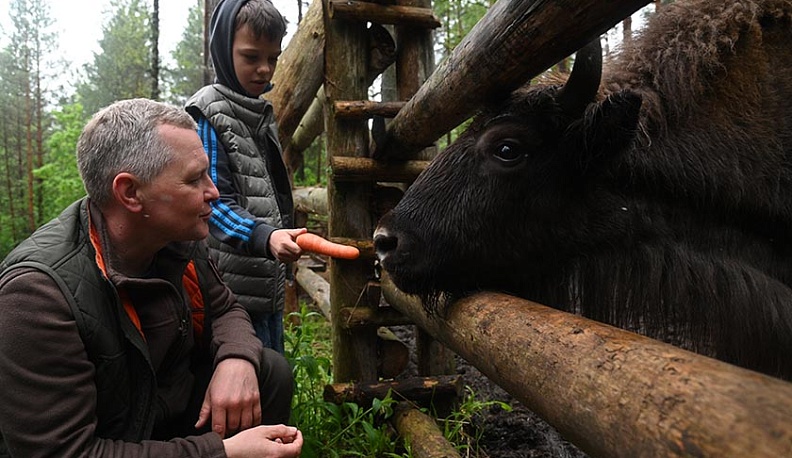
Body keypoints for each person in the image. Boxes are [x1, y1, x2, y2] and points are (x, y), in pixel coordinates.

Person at [0, 98, 303, 458]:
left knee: (268, 371)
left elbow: (224, 308)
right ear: (130, 193)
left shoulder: (178, 240)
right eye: (194, 179)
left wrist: (236, 358)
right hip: (104, 440)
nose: (214, 192)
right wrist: (221, 452)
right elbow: (64, 452)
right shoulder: (36, 296)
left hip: (158, 417)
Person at [186, 0, 306, 356]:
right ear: (224, 50)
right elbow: (211, 202)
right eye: (251, 57)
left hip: (262, 282)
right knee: (248, 377)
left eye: (273, 58)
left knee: (272, 374)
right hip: (230, 292)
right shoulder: (209, 113)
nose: (264, 70)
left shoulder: (257, 111)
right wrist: (264, 236)